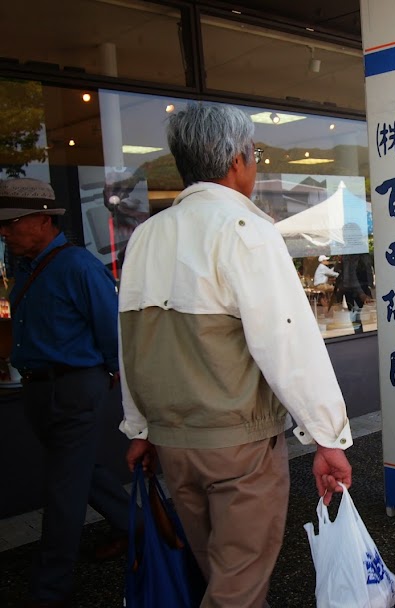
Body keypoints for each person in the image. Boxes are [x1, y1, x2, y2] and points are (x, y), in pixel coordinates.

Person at [118, 103, 353, 607]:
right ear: (236, 160)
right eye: (254, 155)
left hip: (174, 443)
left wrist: (139, 427)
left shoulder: (145, 237)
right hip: (240, 445)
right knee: (238, 586)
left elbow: (130, 343)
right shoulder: (246, 230)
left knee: (218, 571)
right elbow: (288, 342)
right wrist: (327, 437)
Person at [0, 178, 132, 607]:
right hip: (40, 389)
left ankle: (48, 590)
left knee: (63, 490)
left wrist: (108, 380)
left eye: (11, 222)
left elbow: (112, 331)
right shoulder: (23, 265)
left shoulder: (77, 265)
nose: (4, 231)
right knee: (79, 473)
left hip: (74, 387)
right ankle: (141, 531)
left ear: (42, 219)